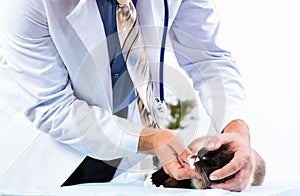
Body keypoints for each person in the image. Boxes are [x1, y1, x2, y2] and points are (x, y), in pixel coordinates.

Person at [0, 0, 252, 192]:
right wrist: (148, 139)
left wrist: (236, 128)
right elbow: (50, 107)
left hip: (119, 155)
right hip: (40, 152)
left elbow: (208, 57)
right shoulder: (27, 4)